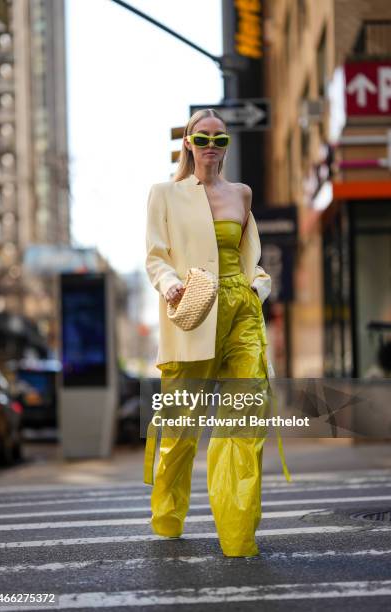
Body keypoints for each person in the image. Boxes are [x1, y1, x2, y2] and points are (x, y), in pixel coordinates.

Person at [144, 108, 292, 558]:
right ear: (188, 144)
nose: (211, 146)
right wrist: (171, 286)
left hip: (241, 313)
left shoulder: (242, 195)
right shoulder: (165, 194)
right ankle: (168, 515)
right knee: (180, 430)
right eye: (202, 138)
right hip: (191, 312)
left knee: (242, 424)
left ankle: (238, 536)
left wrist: (258, 286)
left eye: (220, 139)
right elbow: (155, 256)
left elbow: (252, 260)